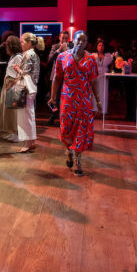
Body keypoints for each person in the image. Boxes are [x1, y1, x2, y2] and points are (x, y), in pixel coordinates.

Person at [48, 30, 100, 176]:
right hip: (67, 100)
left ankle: (78, 159)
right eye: (78, 40)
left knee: (81, 130)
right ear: (73, 40)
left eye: (83, 41)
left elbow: (94, 81)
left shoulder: (90, 59)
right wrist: (52, 97)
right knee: (66, 130)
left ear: (86, 43)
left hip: (84, 101)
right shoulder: (63, 57)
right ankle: (68, 151)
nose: (80, 43)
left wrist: (98, 100)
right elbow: (57, 78)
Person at [14, 32, 44, 153]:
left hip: (26, 88)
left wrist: (17, 69)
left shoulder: (29, 54)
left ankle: (28, 143)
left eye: (22, 41)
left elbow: (25, 73)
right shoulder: (33, 54)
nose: (21, 44)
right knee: (29, 114)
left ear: (29, 43)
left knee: (26, 116)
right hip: (31, 87)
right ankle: (31, 141)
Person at [0, 36, 23, 141]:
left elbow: (20, 73)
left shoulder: (18, 57)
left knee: (13, 110)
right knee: (8, 109)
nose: (6, 47)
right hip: (8, 83)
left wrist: (11, 84)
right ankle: (12, 131)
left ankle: (17, 133)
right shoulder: (13, 56)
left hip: (12, 84)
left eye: (7, 45)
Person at [92, 39, 113, 113]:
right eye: (99, 45)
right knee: (95, 92)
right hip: (95, 75)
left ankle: (103, 110)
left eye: (102, 45)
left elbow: (112, 65)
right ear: (97, 47)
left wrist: (110, 72)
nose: (101, 47)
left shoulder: (108, 56)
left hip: (104, 76)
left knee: (103, 93)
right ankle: (94, 109)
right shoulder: (93, 56)